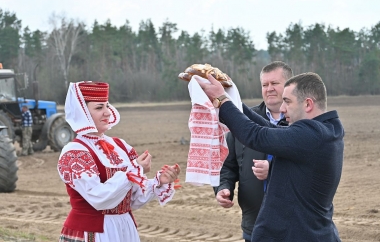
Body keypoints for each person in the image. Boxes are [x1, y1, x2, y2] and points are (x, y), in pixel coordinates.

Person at [197, 72, 343, 241]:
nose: (282, 108)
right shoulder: (323, 131)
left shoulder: (313, 135)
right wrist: (231, 98)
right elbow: (268, 129)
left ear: (308, 104)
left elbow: (255, 135)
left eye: (287, 102)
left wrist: (221, 100)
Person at [57, 81, 181, 242]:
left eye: (107, 106)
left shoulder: (121, 146)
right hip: (93, 231)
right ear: (83, 113)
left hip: (124, 228)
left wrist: (157, 182)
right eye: (99, 108)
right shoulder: (74, 153)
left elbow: (131, 200)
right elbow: (99, 198)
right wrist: (132, 172)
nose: (107, 113)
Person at [214, 61, 293, 242]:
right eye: (265, 85)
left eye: (275, 83)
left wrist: (273, 168)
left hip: (292, 227)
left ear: (289, 85)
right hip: (254, 227)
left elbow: (312, 167)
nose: (269, 89)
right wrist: (223, 188)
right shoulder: (243, 122)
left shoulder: (300, 123)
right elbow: (227, 166)